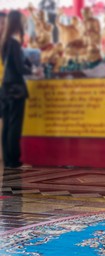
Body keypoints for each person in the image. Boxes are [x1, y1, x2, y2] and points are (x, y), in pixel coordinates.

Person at [0, 10, 33, 168]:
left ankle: (8, 160)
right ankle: (14, 161)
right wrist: (33, 71)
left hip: (6, 88)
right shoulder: (14, 42)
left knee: (7, 125)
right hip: (16, 89)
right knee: (14, 125)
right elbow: (20, 68)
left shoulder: (5, 41)